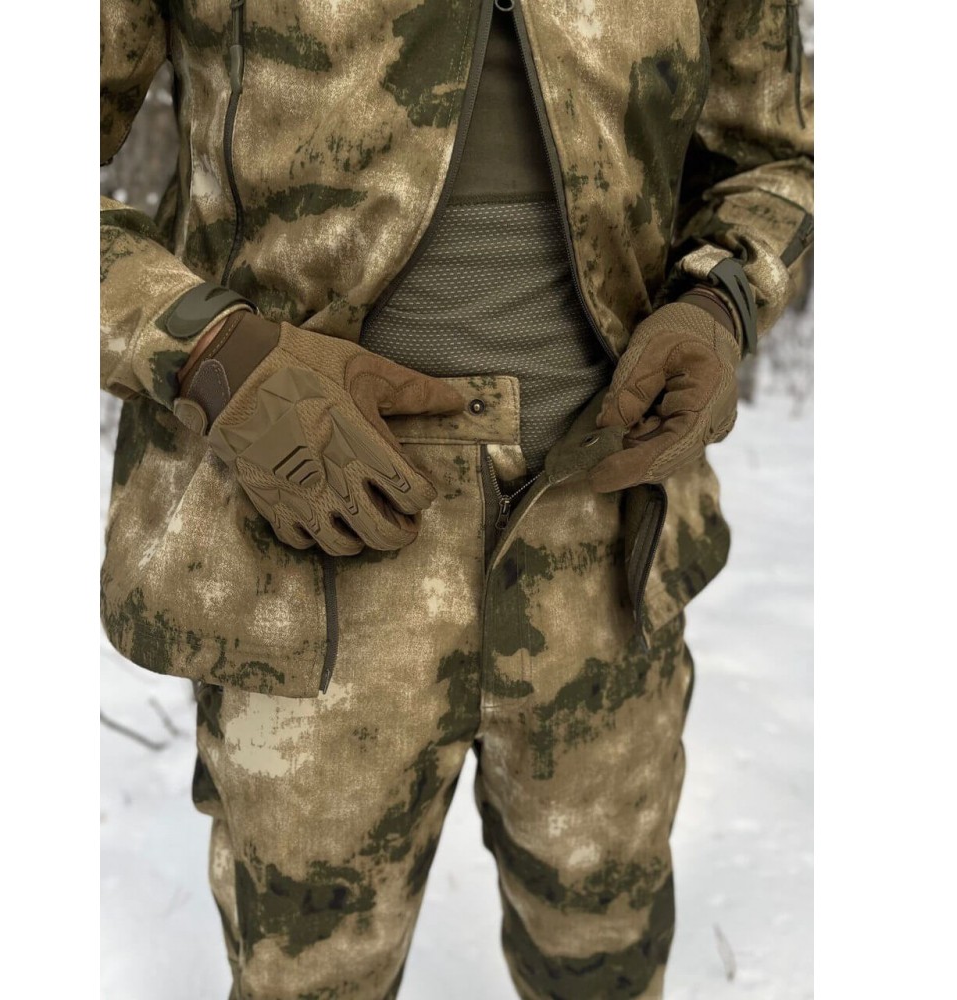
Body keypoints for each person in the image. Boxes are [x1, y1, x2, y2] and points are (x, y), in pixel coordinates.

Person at [100, 0, 813, 996]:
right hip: (303, 551)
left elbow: (777, 161)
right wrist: (209, 355)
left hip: (605, 542)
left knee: (604, 967)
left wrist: (717, 302)